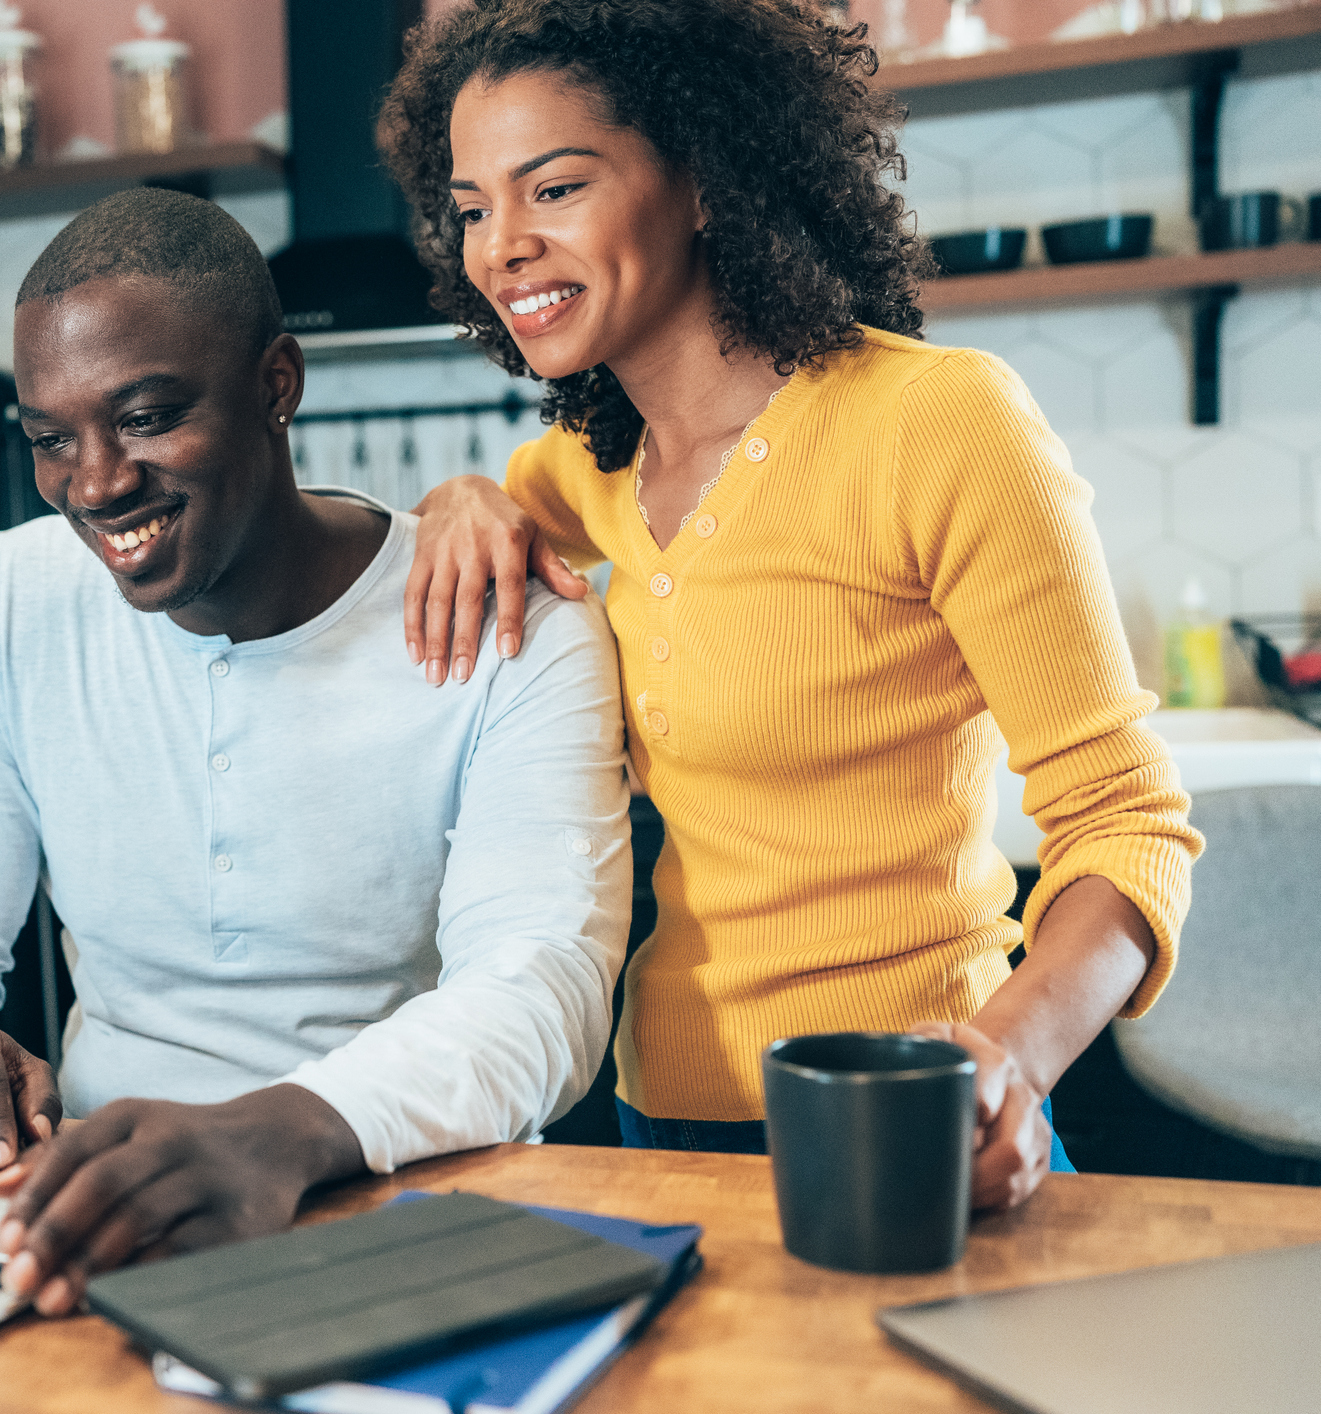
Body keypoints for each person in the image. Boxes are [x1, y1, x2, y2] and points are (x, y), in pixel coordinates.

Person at [379, 0, 1202, 1209]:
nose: (497, 245)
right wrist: (458, 497)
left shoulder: (939, 422)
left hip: (915, 1112)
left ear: (706, 179)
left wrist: (1005, 1060)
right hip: (653, 1123)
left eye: (552, 188)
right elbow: (506, 504)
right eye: (469, 209)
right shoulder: (592, 472)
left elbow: (1128, 819)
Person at [0, 187, 632, 1315]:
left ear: (277, 386)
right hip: (84, 1211)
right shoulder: (17, 598)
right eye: (51, 441)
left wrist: (275, 1138)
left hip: (398, 1207)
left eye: (149, 417)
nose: (98, 484)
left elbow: (538, 993)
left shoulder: (513, 623)